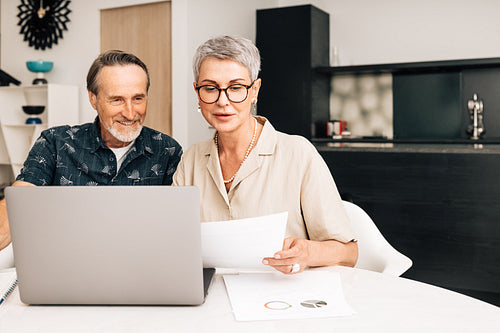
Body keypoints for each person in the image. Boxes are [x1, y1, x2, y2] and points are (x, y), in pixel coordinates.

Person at [173, 36, 357, 275]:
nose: (222, 101)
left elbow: (349, 253)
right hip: (210, 300)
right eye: (210, 88)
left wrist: (307, 252)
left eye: (236, 87)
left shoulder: (297, 154)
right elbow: (176, 244)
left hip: (280, 300)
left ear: (254, 91)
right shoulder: (190, 160)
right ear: (197, 91)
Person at [0, 50, 182, 251]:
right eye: (117, 100)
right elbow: (19, 198)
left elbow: (177, 225)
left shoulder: (167, 150)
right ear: (93, 99)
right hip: (68, 261)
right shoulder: (55, 143)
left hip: (139, 262)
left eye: (138, 99)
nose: (130, 113)